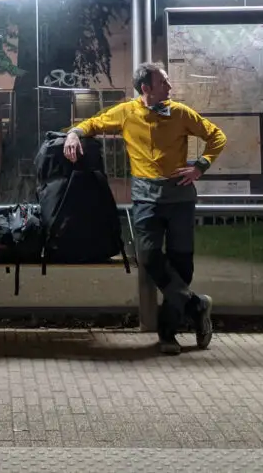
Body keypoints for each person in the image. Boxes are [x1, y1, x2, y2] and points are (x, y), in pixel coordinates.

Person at [63, 62, 227, 355]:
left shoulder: (180, 112)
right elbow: (93, 124)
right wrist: (74, 133)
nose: (170, 87)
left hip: (180, 200)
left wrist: (200, 166)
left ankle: (167, 335)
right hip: (146, 200)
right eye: (164, 83)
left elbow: (217, 136)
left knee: (181, 266)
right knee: (148, 256)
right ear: (146, 89)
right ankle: (196, 305)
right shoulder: (126, 112)